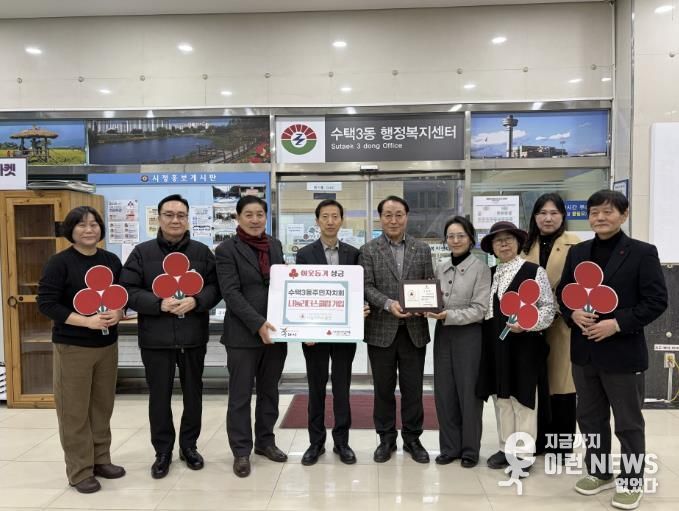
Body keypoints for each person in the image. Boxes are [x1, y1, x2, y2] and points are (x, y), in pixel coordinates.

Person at [556, 190, 667, 510]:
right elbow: (564, 293)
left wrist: (617, 324)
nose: (600, 218)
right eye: (594, 212)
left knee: (628, 422)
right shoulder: (579, 252)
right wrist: (573, 314)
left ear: (624, 214)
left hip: (622, 352)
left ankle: (631, 480)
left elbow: (656, 301)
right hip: (584, 352)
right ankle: (599, 471)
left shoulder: (642, 253)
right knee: (590, 418)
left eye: (608, 212)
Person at [120, 194, 220, 479]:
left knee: (193, 395)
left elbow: (216, 287)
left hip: (193, 336)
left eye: (181, 215)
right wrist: (158, 303)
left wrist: (196, 301)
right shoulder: (142, 252)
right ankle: (162, 451)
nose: (175, 220)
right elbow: (128, 289)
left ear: (187, 219)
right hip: (156, 339)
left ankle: (189, 447)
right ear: (159, 218)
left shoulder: (202, 252)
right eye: (169, 214)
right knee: (159, 397)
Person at [37, 206, 125, 493]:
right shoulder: (59, 263)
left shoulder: (111, 260)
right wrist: (86, 321)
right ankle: (79, 470)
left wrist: (118, 312)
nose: (89, 230)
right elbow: (47, 304)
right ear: (71, 230)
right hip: (73, 346)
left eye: (94, 224)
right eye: (82, 225)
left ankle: (101, 459)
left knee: (102, 406)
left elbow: (122, 295)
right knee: (73, 411)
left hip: (107, 345)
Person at [216, 195, 287, 478]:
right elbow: (230, 293)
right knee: (240, 395)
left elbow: (284, 285)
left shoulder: (275, 245)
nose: (255, 220)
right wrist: (258, 324)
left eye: (260, 214)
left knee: (270, 392)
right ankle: (241, 451)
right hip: (243, 335)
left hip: (275, 333)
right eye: (249, 214)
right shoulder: (226, 250)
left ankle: (265, 442)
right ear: (238, 217)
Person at [359, 195, 433, 464]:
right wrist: (388, 304)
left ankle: (413, 439)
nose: (393, 220)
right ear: (380, 218)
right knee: (383, 389)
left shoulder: (421, 249)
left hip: (414, 330)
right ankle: (386, 438)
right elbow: (366, 286)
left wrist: (426, 303)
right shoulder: (368, 250)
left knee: (413, 389)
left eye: (398, 214)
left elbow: (428, 281)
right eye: (388, 215)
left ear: (406, 217)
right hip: (381, 330)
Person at [476, 221, 555, 470]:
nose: (504, 244)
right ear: (492, 247)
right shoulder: (490, 274)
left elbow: (548, 308)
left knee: (523, 398)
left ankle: (523, 453)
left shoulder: (534, 271)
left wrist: (528, 324)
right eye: (498, 241)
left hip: (525, 346)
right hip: (495, 345)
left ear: (518, 243)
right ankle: (505, 448)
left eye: (508, 239)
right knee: (502, 398)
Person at [295, 199, 361, 466]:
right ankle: (316, 443)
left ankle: (342, 442)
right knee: (316, 389)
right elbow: (299, 293)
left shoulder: (353, 254)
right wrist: (303, 330)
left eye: (335, 216)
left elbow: (357, 290)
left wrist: (360, 310)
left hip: (344, 334)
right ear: (317, 221)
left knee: (342, 389)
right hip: (314, 334)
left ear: (342, 220)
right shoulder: (304, 254)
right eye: (325, 216)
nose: (330, 221)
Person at [426, 216, 490, 468]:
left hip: (469, 336)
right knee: (444, 392)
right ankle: (449, 448)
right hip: (443, 335)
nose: (455, 240)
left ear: (471, 239)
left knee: (469, 393)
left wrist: (447, 315)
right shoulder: (440, 267)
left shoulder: (481, 269)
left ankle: (470, 450)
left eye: (460, 235)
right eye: (450, 236)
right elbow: (431, 298)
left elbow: (480, 310)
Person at [523, 193, 581, 457]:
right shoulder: (525, 245)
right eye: (542, 213)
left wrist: (559, 310)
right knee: (536, 384)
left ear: (562, 216)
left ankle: (562, 445)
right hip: (529, 326)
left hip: (562, 325)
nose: (548, 218)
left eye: (554, 213)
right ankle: (538, 440)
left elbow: (580, 285)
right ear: (535, 216)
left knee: (562, 386)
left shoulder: (575, 244)